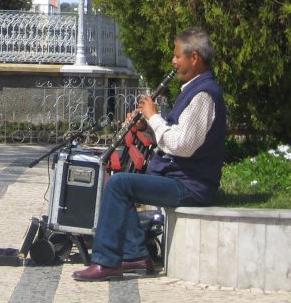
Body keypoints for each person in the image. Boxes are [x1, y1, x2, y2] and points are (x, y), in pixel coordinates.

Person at [73, 27, 226, 281]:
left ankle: (106, 261)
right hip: (178, 177)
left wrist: (153, 116)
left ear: (194, 58)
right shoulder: (193, 90)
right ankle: (135, 255)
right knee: (111, 180)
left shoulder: (204, 95)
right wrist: (146, 126)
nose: (173, 61)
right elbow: (174, 137)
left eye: (177, 56)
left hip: (191, 185)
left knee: (120, 184)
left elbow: (182, 145)